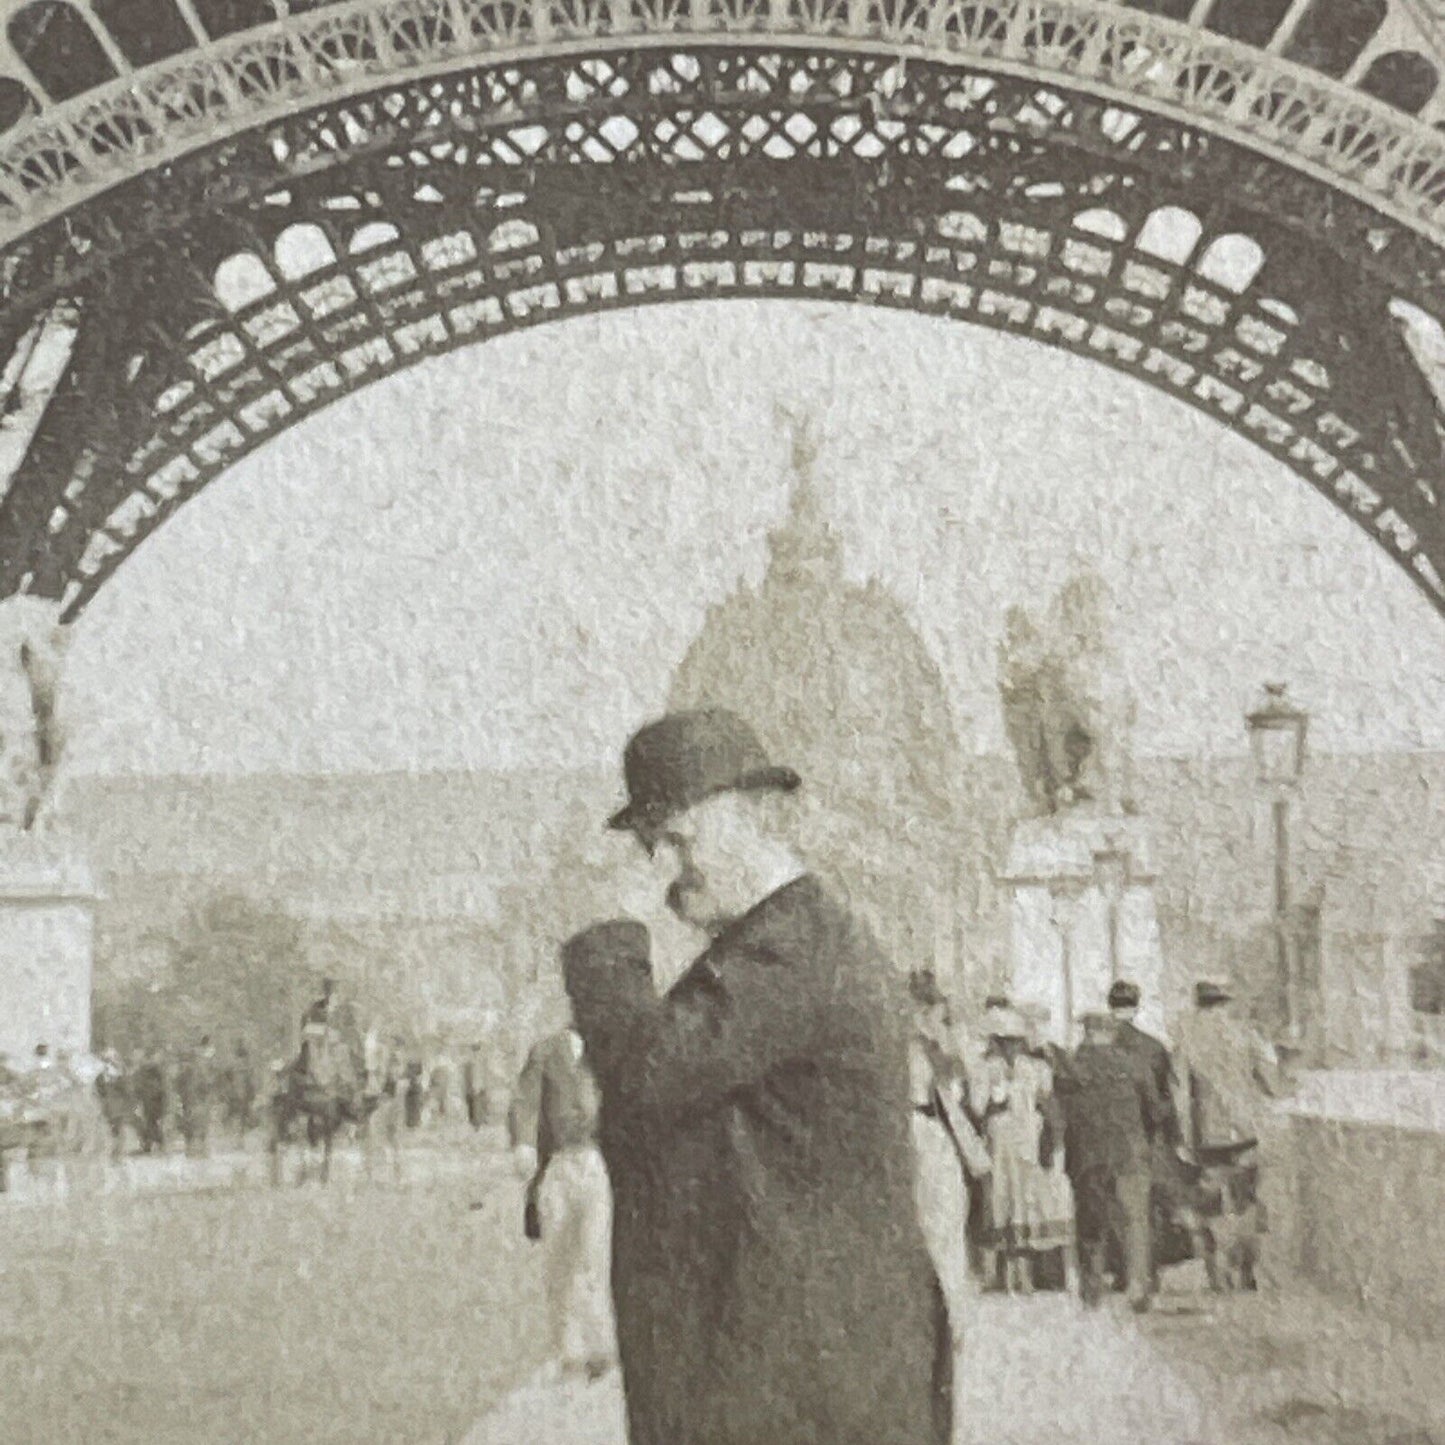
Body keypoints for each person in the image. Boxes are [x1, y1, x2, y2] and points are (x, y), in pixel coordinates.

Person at [565, 708, 951, 1445]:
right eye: (652, 845)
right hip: (792, 1367)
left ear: (761, 816)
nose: (664, 873)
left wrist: (611, 938)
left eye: (679, 840)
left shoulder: (788, 954)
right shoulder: (772, 947)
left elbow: (644, 1080)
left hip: (799, 1381)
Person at [508, 1023, 614, 1383]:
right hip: (559, 1163)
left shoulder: (605, 1049)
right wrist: (523, 1143)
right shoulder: (547, 1052)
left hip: (597, 1162)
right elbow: (525, 1100)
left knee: (593, 1255)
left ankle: (599, 1345)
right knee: (559, 1259)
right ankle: (569, 1350)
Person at [1171, 980, 1284, 1289]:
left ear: (1198, 1002)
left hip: (1205, 1136)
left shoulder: (1186, 1038)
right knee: (1246, 1200)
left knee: (1208, 1205)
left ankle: (1217, 1273)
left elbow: (1179, 1090)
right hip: (1245, 1132)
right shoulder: (1246, 1035)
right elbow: (1273, 1086)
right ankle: (1247, 1270)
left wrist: (1181, 1138)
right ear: (1227, 1002)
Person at [1056, 1010, 1156, 1310]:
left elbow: (1060, 1114)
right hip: (1130, 1153)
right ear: (1111, 1033)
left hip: (1088, 1157)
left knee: (1091, 1223)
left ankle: (1092, 1289)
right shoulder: (1133, 1065)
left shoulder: (1071, 1068)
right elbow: (1153, 1110)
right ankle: (1138, 1286)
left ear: (1087, 1033)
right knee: (1134, 1221)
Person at [909, 969, 989, 1344]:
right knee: (941, 1220)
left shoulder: (927, 1047)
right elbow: (961, 1097)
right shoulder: (924, 1047)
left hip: (923, 1132)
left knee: (938, 1220)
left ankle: (947, 1312)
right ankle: (949, 1312)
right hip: (925, 1133)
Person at [979, 1007, 1068, 1294]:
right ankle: (1007, 1274)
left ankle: (1024, 1275)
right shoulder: (986, 1069)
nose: (1009, 1047)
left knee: (1022, 1201)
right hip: (1003, 1142)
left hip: (1025, 1139)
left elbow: (1047, 1102)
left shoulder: (1037, 1068)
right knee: (1004, 1200)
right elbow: (978, 1106)